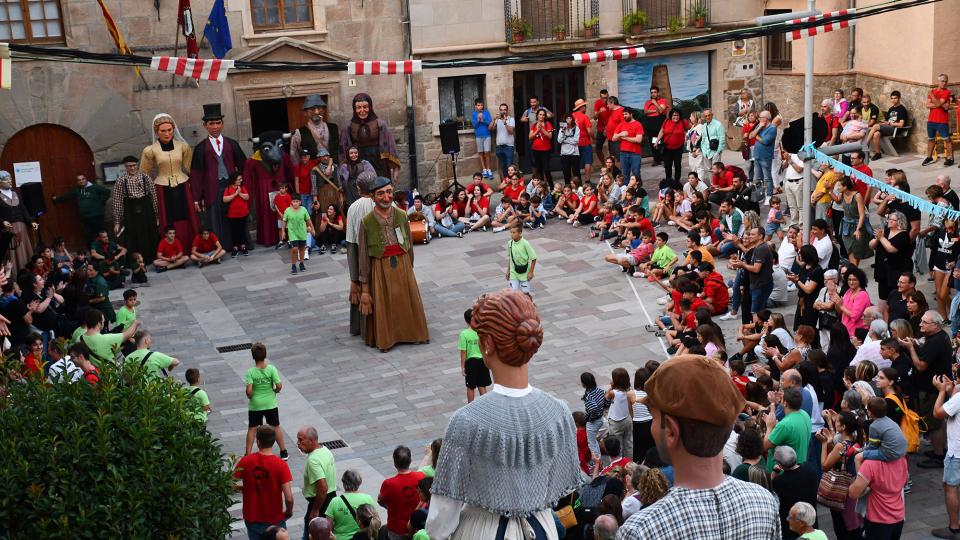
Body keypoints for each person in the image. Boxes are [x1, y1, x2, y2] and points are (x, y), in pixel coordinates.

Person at [427, 290, 582, 540]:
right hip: (543, 529)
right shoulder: (559, 411)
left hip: (484, 531)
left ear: (488, 344)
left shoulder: (466, 421)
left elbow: (442, 516)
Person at [617, 355, 780, 539]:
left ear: (671, 431)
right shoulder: (765, 501)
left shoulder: (640, 531)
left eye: (653, 417)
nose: (652, 426)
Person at [357, 176, 429, 352]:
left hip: (402, 264)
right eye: (380, 194)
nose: (386, 197)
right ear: (373, 197)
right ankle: (387, 339)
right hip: (380, 268)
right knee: (385, 304)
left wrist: (409, 268)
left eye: (389, 192)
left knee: (406, 300)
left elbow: (409, 243)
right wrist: (365, 289)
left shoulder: (402, 215)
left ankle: (412, 334)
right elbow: (363, 256)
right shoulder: (366, 222)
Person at [900, 310, 953, 468]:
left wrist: (910, 348)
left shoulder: (936, 341)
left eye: (924, 322)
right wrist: (915, 343)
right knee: (938, 421)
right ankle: (941, 450)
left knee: (934, 422)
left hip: (932, 388)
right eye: (921, 321)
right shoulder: (939, 336)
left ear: (935, 325)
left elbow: (921, 366)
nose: (920, 324)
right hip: (938, 385)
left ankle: (938, 456)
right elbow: (925, 348)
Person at [189, 103, 246, 249]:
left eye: (218, 123)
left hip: (230, 186)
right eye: (211, 123)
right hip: (212, 188)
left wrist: (243, 186)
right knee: (216, 218)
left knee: (235, 215)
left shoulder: (232, 144)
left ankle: (239, 243)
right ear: (205, 125)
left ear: (223, 124)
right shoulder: (201, 148)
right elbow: (196, 175)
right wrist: (197, 198)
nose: (215, 126)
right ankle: (222, 246)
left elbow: (243, 165)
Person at [139, 113, 199, 245]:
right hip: (162, 187)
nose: (167, 133)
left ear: (173, 129)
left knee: (186, 215)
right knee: (167, 216)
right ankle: (171, 247)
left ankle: (190, 244)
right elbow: (144, 174)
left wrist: (197, 188)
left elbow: (190, 169)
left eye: (169, 130)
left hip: (183, 185)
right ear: (156, 132)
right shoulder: (149, 150)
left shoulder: (183, 146)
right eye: (163, 131)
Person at [234, 425, 295, 540]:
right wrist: (288, 511)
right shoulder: (281, 465)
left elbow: (229, 483)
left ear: (257, 441)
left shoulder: (246, 461)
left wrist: (242, 488)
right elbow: (289, 498)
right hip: (275, 518)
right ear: (274, 442)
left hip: (252, 517)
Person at [848, 441, 909, 538]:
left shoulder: (870, 464)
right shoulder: (901, 459)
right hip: (898, 517)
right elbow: (905, 481)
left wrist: (857, 461)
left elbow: (853, 493)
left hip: (878, 521)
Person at [112, 156, 160, 268]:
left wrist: (157, 215)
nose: (132, 168)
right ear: (125, 167)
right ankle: (136, 260)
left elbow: (154, 196)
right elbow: (117, 201)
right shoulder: (121, 181)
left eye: (134, 165)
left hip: (146, 209)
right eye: (129, 166)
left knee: (150, 233)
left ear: (137, 165)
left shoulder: (145, 177)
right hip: (130, 210)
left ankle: (151, 258)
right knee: (132, 235)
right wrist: (117, 222)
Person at [243, 342, 289, 460]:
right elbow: (279, 385)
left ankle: (248, 454)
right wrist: (275, 390)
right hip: (270, 403)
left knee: (252, 429)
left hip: (255, 405)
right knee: (275, 426)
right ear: (265, 355)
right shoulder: (271, 369)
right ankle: (283, 451)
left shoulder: (251, 372)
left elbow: (249, 391)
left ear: (253, 356)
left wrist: (251, 396)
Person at [340, 93, 400, 181]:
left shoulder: (380, 124)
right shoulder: (349, 126)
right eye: (358, 107)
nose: (362, 110)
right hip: (358, 162)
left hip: (379, 161)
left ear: (370, 107)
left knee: (380, 185)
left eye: (365, 107)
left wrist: (395, 168)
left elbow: (390, 145)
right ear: (354, 109)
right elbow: (344, 148)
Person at [931, 374, 960, 539]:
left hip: (957, 451)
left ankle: (954, 528)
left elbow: (938, 413)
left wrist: (941, 392)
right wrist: (951, 393)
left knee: (951, 487)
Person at [297, 425, 337, 540]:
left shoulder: (313, 460)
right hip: (330, 500)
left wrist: (315, 510)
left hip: (320, 503)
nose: (298, 443)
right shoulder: (325, 450)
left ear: (311, 441)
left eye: (301, 440)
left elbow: (323, 487)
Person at [771, 446, 820, 540]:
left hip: (792, 529)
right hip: (811, 522)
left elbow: (767, 489)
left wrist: (774, 473)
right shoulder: (810, 469)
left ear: (780, 465)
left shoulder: (779, 482)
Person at [378, 445, 425, 540]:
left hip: (397, 529)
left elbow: (381, 501)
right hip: (418, 526)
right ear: (410, 461)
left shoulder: (389, 484)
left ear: (395, 463)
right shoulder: (421, 477)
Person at [51, 174, 111, 243]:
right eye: (79, 180)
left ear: (86, 179)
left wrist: (101, 202)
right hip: (85, 217)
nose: (81, 181)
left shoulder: (94, 187)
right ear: (77, 182)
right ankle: (92, 251)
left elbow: (107, 191)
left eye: (83, 179)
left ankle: (105, 250)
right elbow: (67, 196)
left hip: (97, 215)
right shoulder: (77, 190)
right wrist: (56, 199)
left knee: (101, 234)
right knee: (88, 235)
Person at [0, 170, 37, 277]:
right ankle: (15, 277)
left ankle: (29, 275)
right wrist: (2, 222)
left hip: (22, 228)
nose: (10, 181)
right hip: (8, 230)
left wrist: (31, 222)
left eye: (10, 179)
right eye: (7, 179)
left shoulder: (15, 193)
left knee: (25, 252)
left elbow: (23, 209)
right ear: (0, 182)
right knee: (13, 254)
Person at [290, 94, 340, 169]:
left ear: (323, 110)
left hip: (334, 172)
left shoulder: (334, 128)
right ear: (305, 112)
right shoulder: (298, 133)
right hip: (311, 174)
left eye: (319, 108)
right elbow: (294, 156)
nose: (316, 112)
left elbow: (341, 151)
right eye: (312, 109)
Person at [323, 470, 376, 540]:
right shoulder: (368, 499)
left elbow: (328, 527)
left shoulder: (335, 501)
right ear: (359, 482)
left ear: (343, 482)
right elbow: (374, 520)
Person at [834, 176, 873, 266]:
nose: (837, 187)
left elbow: (862, 214)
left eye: (839, 185)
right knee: (849, 251)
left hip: (857, 226)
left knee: (856, 252)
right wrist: (829, 191)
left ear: (845, 186)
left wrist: (858, 229)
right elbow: (837, 201)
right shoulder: (842, 194)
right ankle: (853, 271)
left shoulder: (857, 196)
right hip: (846, 227)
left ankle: (853, 272)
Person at [458, 307, 490, 403]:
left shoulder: (464, 334)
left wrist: (462, 366)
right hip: (482, 361)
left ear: (465, 320)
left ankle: (470, 407)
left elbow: (463, 352)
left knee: (470, 386)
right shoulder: (481, 331)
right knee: (482, 385)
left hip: (471, 362)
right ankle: (485, 406)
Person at [923, 73, 954, 167]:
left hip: (942, 121)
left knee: (947, 139)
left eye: (946, 81)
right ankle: (929, 157)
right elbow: (927, 105)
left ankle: (950, 158)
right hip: (931, 120)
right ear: (938, 81)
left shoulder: (947, 92)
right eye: (942, 81)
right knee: (930, 139)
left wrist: (932, 95)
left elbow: (938, 104)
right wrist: (939, 104)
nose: (944, 83)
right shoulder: (934, 91)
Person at [657, 109, 689, 187]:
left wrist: (687, 139)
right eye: (674, 115)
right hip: (667, 148)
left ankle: (677, 182)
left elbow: (691, 129)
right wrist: (657, 141)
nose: (676, 117)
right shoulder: (666, 121)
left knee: (677, 165)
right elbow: (662, 131)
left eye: (677, 115)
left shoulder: (683, 122)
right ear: (671, 116)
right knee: (668, 165)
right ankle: (668, 181)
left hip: (678, 148)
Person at [223, 173, 251, 257]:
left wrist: (239, 193)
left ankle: (243, 247)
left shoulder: (242, 187)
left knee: (242, 230)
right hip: (232, 215)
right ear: (234, 180)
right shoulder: (228, 188)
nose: (240, 181)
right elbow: (224, 199)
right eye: (239, 179)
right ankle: (235, 248)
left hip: (243, 213)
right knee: (234, 232)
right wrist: (235, 194)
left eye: (241, 179)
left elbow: (247, 197)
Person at [612, 107, 644, 181]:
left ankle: (637, 190)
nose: (624, 116)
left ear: (631, 114)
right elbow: (613, 138)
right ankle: (626, 190)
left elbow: (639, 140)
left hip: (635, 153)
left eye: (626, 114)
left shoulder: (637, 124)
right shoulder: (621, 124)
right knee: (624, 174)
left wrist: (625, 138)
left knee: (636, 173)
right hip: (623, 153)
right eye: (623, 114)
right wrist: (620, 134)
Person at [284, 196, 313, 275]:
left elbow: (308, 220)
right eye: (294, 201)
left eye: (297, 201)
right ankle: (293, 265)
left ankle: (301, 263)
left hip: (302, 232)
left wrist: (312, 229)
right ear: (291, 202)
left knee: (302, 248)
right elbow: (284, 221)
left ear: (300, 202)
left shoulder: (303, 210)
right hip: (292, 233)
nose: (295, 203)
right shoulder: (288, 211)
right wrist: (283, 231)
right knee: (295, 249)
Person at [505, 224, 537, 295]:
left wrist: (531, 272)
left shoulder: (525, 243)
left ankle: (529, 304)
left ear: (520, 233)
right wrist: (508, 270)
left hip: (524, 272)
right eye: (511, 232)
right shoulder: (510, 243)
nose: (511, 235)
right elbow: (510, 257)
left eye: (514, 232)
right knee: (512, 293)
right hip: (514, 272)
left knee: (525, 293)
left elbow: (534, 258)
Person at [528, 109, 554, 187]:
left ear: (545, 116)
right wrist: (537, 130)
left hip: (546, 150)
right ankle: (542, 187)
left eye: (543, 115)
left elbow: (550, 136)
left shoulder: (548, 124)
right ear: (537, 115)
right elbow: (530, 137)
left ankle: (551, 186)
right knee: (539, 170)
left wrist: (542, 129)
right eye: (540, 114)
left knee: (546, 169)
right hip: (536, 150)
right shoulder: (533, 125)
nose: (541, 116)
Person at [470, 98, 494, 179]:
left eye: (481, 105)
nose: (480, 107)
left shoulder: (487, 113)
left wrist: (482, 120)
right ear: (476, 106)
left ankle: (489, 169)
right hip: (478, 136)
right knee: (481, 153)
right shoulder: (473, 114)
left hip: (487, 135)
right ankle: (484, 170)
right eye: (478, 105)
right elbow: (475, 126)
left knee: (487, 152)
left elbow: (490, 123)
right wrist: (478, 120)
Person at [571, 98, 595, 180]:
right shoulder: (585, 117)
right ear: (581, 107)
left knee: (574, 163)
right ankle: (587, 181)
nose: (586, 107)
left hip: (574, 143)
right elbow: (589, 131)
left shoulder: (571, 117)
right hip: (585, 143)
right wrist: (594, 138)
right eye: (585, 106)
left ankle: (575, 182)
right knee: (587, 162)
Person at [492, 103, 516, 179]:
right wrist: (494, 119)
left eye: (504, 110)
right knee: (503, 167)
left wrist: (505, 122)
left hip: (509, 147)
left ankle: (512, 184)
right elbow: (490, 129)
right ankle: (506, 184)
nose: (503, 111)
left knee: (510, 167)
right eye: (501, 110)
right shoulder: (497, 120)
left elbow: (511, 131)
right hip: (499, 147)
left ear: (507, 110)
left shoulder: (511, 119)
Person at [557, 113, 581, 184]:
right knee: (566, 173)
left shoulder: (576, 128)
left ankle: (579, 187)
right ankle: (567, 187)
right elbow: (559, 140)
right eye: (567, 118)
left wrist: (565, 139)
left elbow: (576, 141)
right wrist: (563, 131)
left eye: (570, 118)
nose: (568, 120)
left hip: (574, 153)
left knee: (576, 172)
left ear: (572, 119)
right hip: (564, 153)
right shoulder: (562, 128)